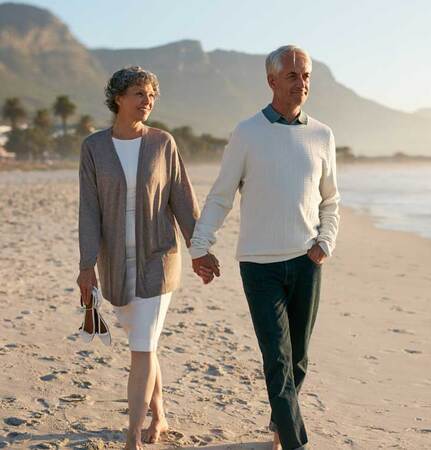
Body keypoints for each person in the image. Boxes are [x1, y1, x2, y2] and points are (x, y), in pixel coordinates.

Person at [190, 45, 340, 450]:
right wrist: (200, 246)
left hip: (307, 262)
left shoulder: (322, 135)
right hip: (259, 266)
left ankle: (279, 428)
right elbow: (221, 196)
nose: (301, 82)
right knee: (277, 358)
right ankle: (294, 443)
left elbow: (330, 200)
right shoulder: (247, 133)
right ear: (271, 80)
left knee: (299, 360)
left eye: (306, 75)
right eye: (292, 75)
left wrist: (325, 243)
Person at [77, 66, 201, 450]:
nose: (147, 101)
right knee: (143, 341)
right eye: (138, 93)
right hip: (115, 265)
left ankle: (133, 436)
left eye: (151, 95)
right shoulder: (94, 147)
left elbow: (182, 199)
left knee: (143, 346)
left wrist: (201, 249)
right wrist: (87, 265)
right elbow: (89, 210)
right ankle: (160, 415)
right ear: (118, 97)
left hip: (158, 260)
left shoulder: (163, 143)